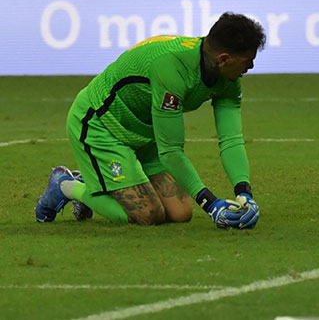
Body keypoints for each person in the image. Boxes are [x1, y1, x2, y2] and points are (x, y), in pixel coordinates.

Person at [33, 13, 265, 228]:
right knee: (148, 214)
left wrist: (244, 192)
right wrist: (211, 204)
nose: (251, 67)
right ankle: (66, 185)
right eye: (248, 61)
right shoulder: (172, 68)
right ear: (224, 59)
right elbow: (171, 150)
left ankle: (103, 183)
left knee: (181, 213)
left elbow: (231, 138)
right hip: (101, 126)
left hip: (144, 132)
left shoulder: (229, 78)